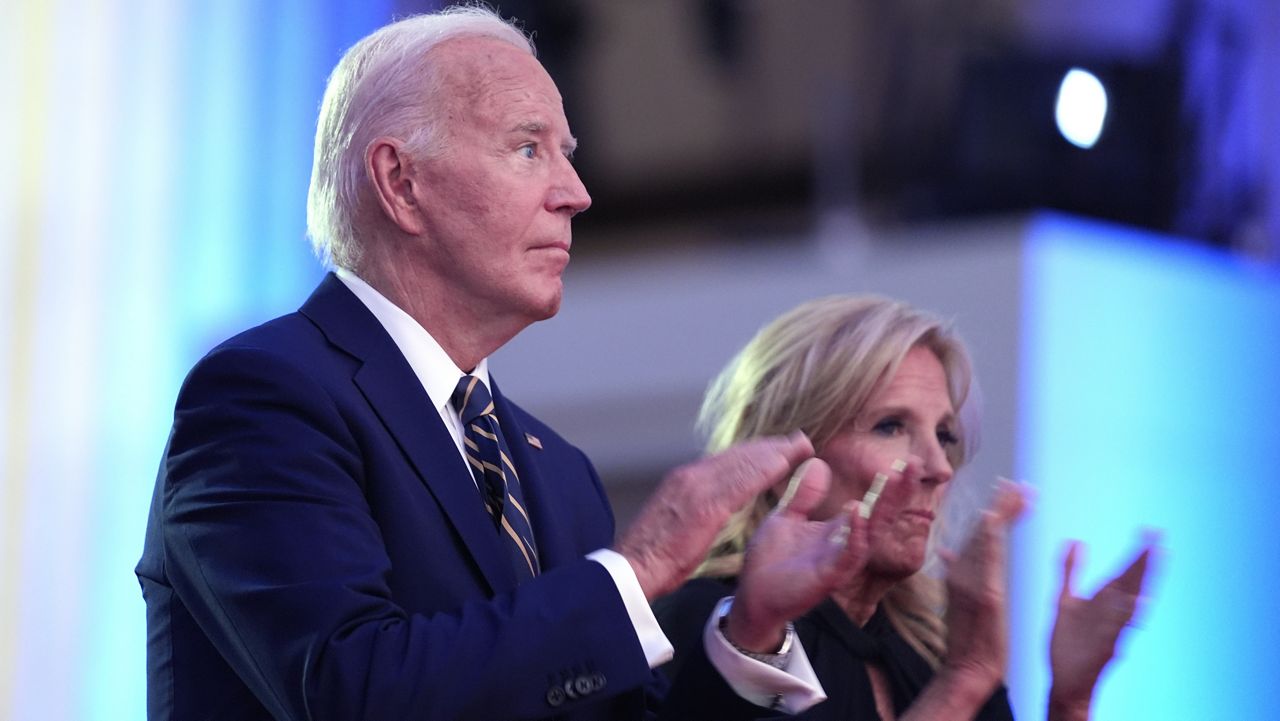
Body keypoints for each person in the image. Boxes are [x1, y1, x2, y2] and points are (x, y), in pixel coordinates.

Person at [134, 8, 844, 721]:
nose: (576, 192)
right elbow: (351, 690)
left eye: (566, 152)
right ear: (401, 181)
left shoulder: (560, 471)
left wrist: (750, 628)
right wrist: (640, 568)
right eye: (529, 148)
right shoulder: (265, 398)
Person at [653, 295, 1156, 720]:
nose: (939, 466)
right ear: (784, 459)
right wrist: (962, 684)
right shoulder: (712, 627)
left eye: (945, 435)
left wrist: (1069, 700)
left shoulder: (931, 646)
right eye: (891, 426)